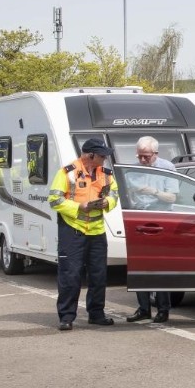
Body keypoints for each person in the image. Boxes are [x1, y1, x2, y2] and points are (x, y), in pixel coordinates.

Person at [48, 138, 119, 330]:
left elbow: (114, 193)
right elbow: (54, 200)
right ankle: (66, 317)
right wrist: (80, 207)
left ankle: (96, 314)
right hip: (72, 230)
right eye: (102, 155)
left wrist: (108, 203)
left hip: (97, 231)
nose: (105, 159)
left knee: (98, 276)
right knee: (70, 275)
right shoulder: (67, 173)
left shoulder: (105, 174)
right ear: (90, 155)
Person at [126, 136, 179, 323]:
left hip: (160, 219)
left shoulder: (167, 168)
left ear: (155, 154)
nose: (142, 160)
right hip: (139, 219)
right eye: (139, 156)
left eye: (146, 156)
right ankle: (143, 308)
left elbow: (172, 198)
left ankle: (163, 309)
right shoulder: (133, 170)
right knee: (139, 265)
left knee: (159, 266)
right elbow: (128, 195)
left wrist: (153, 192)